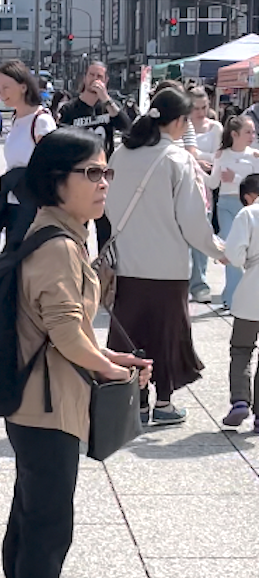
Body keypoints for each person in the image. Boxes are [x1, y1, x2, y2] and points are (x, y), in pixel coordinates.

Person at [4, 128, 151, 578]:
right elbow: (67, 335)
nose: (103, 182)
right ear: (56, 180)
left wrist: (112, 358)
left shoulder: (59, 234)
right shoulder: (59, 247)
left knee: (31, 518)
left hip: (37, 401)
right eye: (90, 173)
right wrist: (109, 370)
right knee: (48, 528)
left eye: (105, 171)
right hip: (46, 408)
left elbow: (65, 329)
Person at [106, 88, 225, 425]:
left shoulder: (121, 155)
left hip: (127, 263)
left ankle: (137, 402)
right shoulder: (177, 159)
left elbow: (108, 205)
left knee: (130, 335)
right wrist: (217, 250)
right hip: (168, 266)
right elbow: (192, 218)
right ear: (177, 122)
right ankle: (164, 403)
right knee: (167, 335)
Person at [0, 60, 56, 253]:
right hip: (12, 204)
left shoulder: (41, 120)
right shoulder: (16, 118)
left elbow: (51, 167)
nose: (2, 94)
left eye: (6, 87)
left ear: (23, 87)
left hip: (33, 208)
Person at [206, 115, 259, 308]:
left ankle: (238, 295)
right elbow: (213, 183)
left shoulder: (254, 156)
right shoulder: (222, 154)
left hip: (248, 206)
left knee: (246, 251)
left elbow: (255, 184)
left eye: (253, 132)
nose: (252, 136)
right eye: (248, 132)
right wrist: (196, 170)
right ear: (235, 134)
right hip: (226, 205)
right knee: (231, 248)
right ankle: (231, 297)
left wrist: (235, 177)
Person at [221, 173, 259, 431]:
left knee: (242, 348)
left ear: (247, 196)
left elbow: (234, 254)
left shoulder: (248, 214)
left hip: (253, 289)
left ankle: (240, 400)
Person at [188, 86, 223, 303]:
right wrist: (198, 158)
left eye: (204, 107)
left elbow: (217, 156)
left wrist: (195, 156)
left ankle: (199, 283)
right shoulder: (182, 126)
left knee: (202, 233)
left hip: (205, 186)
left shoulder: (216, 127)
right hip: (184, 182)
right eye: (196, 108)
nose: (200, 112)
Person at [58, 61, 130, 158]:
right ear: (85, 78)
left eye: (99, 76)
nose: (95, 79)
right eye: (91, 75)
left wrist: (106, 99)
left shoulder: (110, 107)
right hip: (78, 164)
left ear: (106, 80)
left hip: (103, 164)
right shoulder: (69, 109)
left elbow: (126, 127)